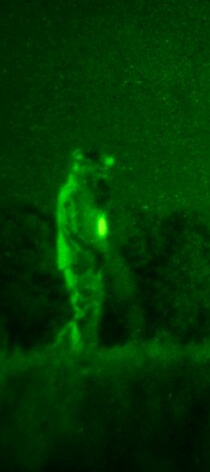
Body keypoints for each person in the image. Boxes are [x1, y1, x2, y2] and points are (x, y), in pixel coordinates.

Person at [55, 149, 114, 351]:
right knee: (87, 308)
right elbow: (84, 230)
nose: (102, 172)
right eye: (98, 167)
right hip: (82, 258)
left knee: (88, 307)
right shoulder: (78, 192)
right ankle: (80, 359)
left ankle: (64, 353)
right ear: (83, 166)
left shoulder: (83, 191)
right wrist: (102, 251)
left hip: (83, 257)